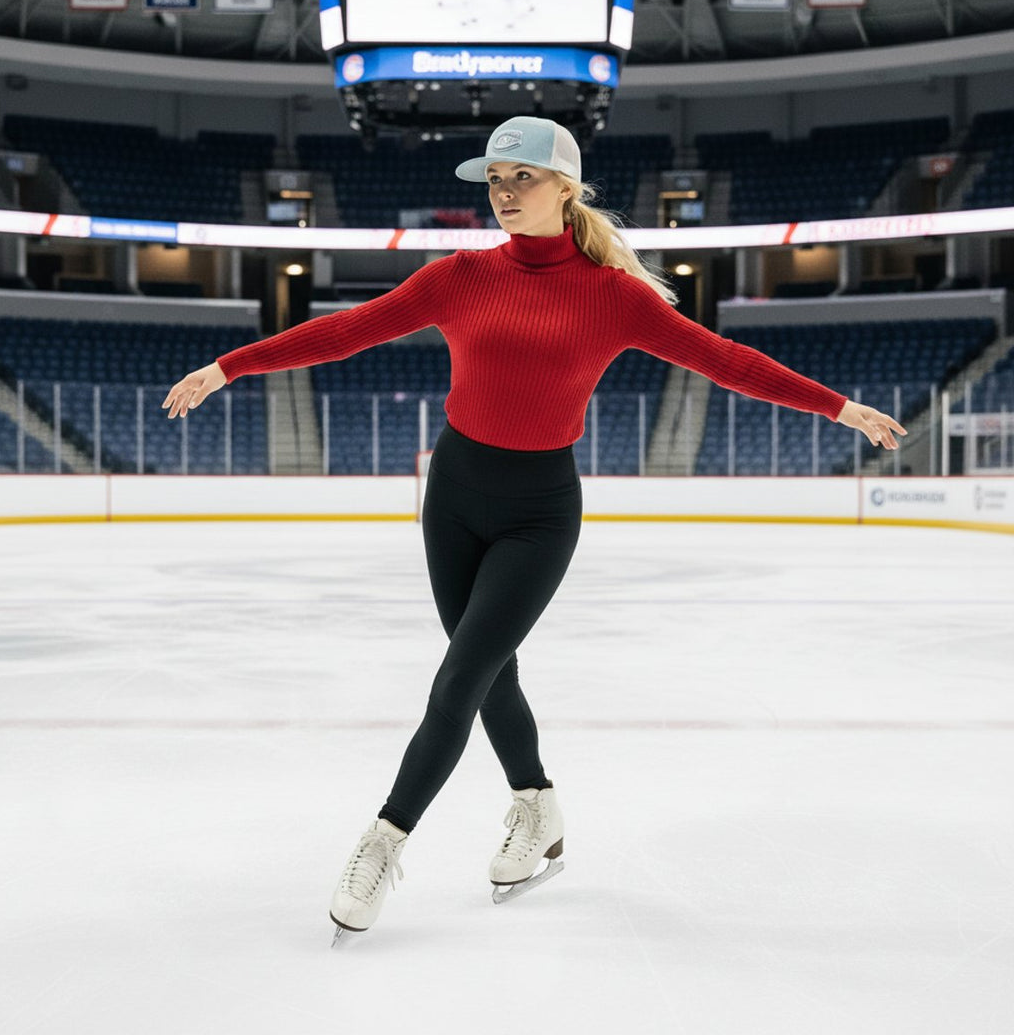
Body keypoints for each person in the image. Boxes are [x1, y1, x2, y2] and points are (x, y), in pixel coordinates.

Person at [162, 116, 906, 945]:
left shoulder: (614, 295)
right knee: (490, 676)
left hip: (539, 513)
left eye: (521, 178)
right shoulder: (459, 275)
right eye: (494, 181)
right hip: (452, 496)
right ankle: (538, 806)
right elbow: (346, 332)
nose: (504, 194)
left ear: (566, 188)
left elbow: (724, 361)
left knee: (457, 681)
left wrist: (839, 406)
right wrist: (227, 365)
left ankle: (383, 841)